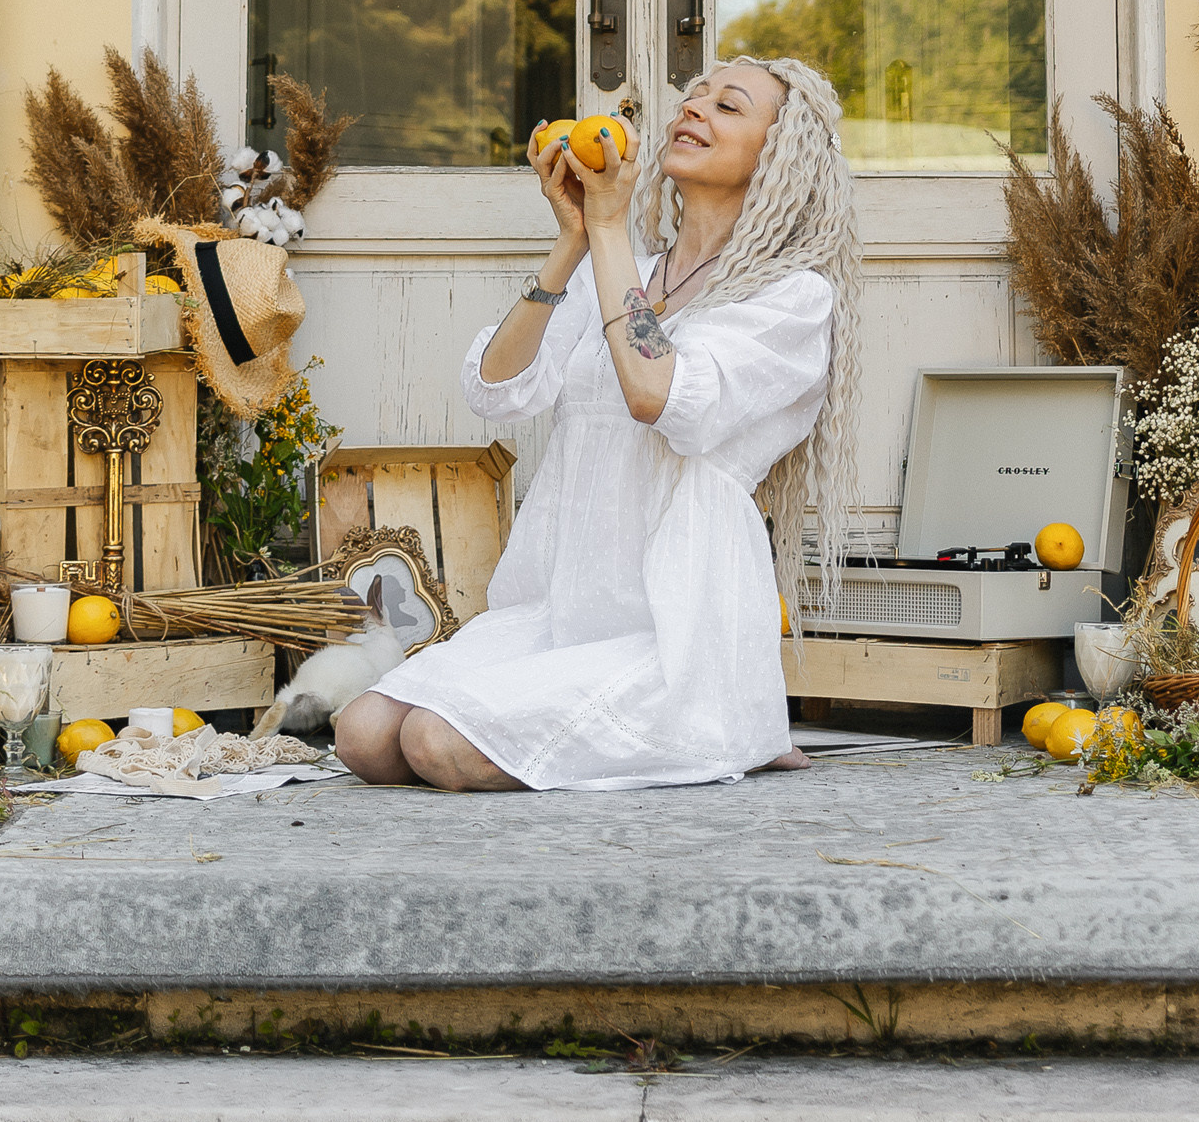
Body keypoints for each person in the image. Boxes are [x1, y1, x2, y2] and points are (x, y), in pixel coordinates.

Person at [334, 55, 859, 793]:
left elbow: (655, 392)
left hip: (674, 626)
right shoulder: (617, 265)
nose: (694, 109)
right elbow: (497, 388)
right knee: (363, 735)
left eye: (729, 106)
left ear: (779, 153)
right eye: (693, 97)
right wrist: (575, 237)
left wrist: (610, 230)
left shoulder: (790, 301)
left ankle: (727, 725)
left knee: (436, 742)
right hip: (560, 606)